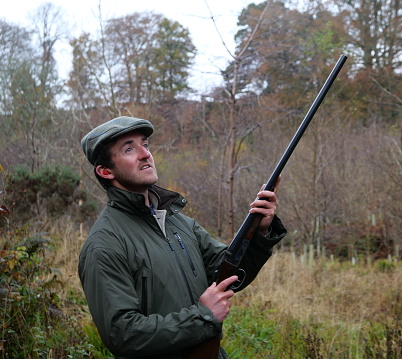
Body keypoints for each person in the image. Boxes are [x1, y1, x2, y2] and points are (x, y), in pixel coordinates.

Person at [78, 116, 287, 358]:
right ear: (105, 171)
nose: (145, 154)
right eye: (129, 149)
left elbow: (231, 274)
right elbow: (122, 333)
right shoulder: (104, 245)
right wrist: (204, 316)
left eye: (145, 144)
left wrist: (260, 231)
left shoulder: (179, 223)